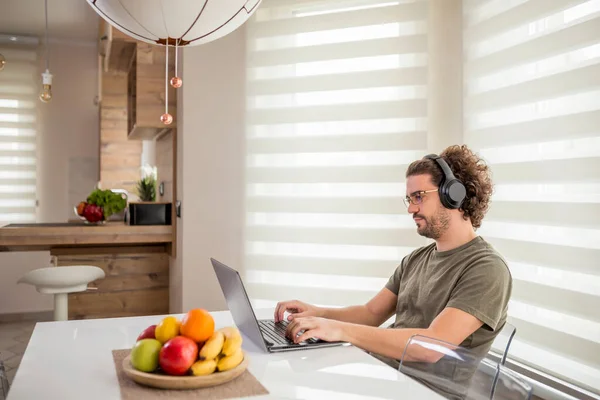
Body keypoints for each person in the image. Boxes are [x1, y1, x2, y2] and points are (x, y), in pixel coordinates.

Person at [275, 144, 512, 373]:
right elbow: (370, 314)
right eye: (409, 199)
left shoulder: (487, 268)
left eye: (418, 196)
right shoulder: (416, 259)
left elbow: (431, 347)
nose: (411, 209)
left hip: (421, 392)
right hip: (380, 373)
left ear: (453, 195)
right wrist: (317, 314)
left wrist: (337, 329)